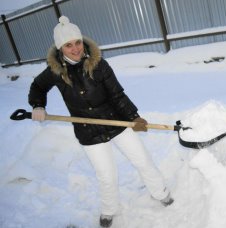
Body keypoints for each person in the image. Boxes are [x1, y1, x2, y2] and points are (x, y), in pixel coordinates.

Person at [28, 16, 173, 227]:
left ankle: (161, 193)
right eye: (68, 45)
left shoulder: (99, 64)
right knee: (106, 175)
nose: (75, 48)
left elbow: (117, 94)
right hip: (88, 131)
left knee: (142, 160)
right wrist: (38, 105)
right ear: (61, 48)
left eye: (77, 42)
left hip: (116, 122)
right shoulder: (55, 71)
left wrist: (133, 117)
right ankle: (109, 210)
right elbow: (37, 87)